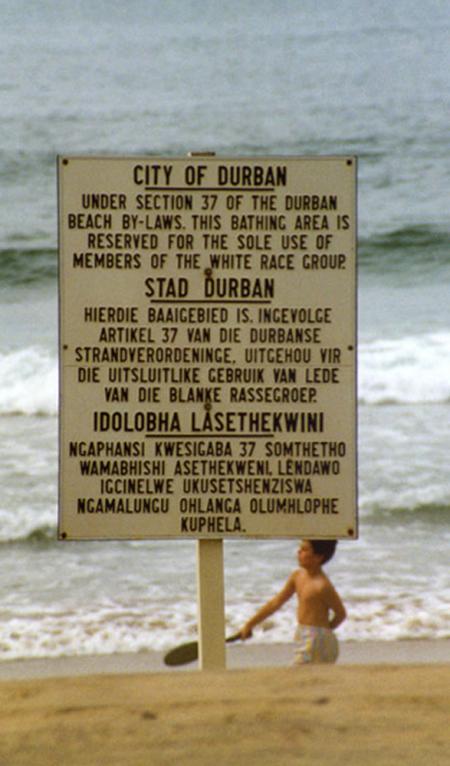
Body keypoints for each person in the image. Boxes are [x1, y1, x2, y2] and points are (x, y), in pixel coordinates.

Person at [239, 539, 346, 664]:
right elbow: (276, 603)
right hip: (303, 634)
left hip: (317, 639)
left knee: (297, 676)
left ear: (318, 557)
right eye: (300, 548)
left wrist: (323, 632)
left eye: (305, 549)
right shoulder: (297, 576)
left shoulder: (322, 586)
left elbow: (341, 614)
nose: (299, 552)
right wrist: (250, 624)